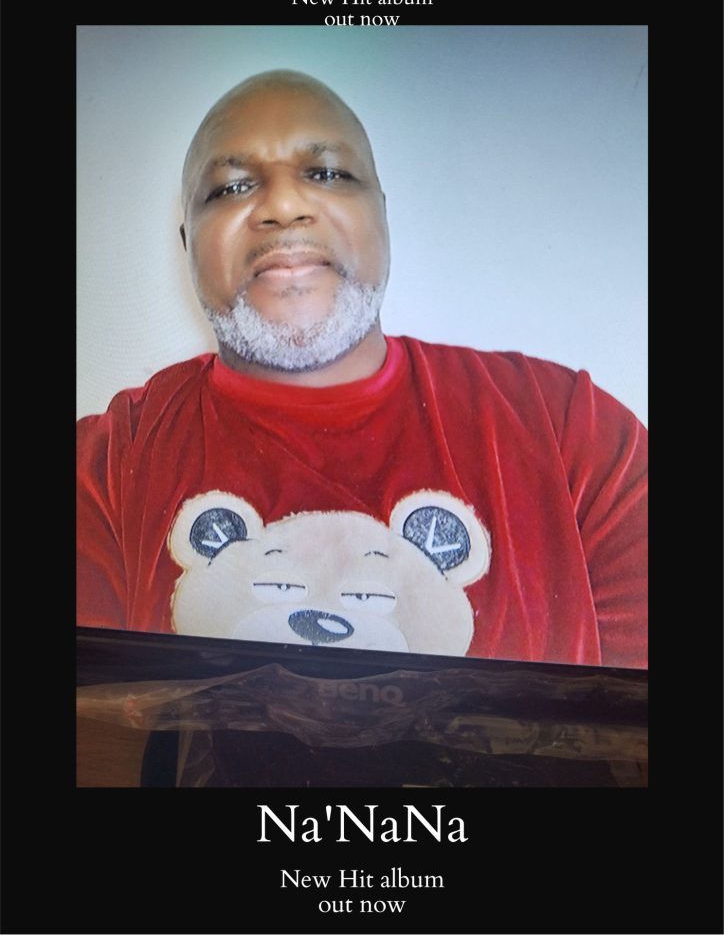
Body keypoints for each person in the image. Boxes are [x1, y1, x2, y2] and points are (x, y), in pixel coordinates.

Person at [76, 69, 647, 668]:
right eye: (231, 187)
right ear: (188, 243)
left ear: (382, 215)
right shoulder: (105, 470)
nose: (284, 206)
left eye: (327, 174)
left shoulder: (573, 432)